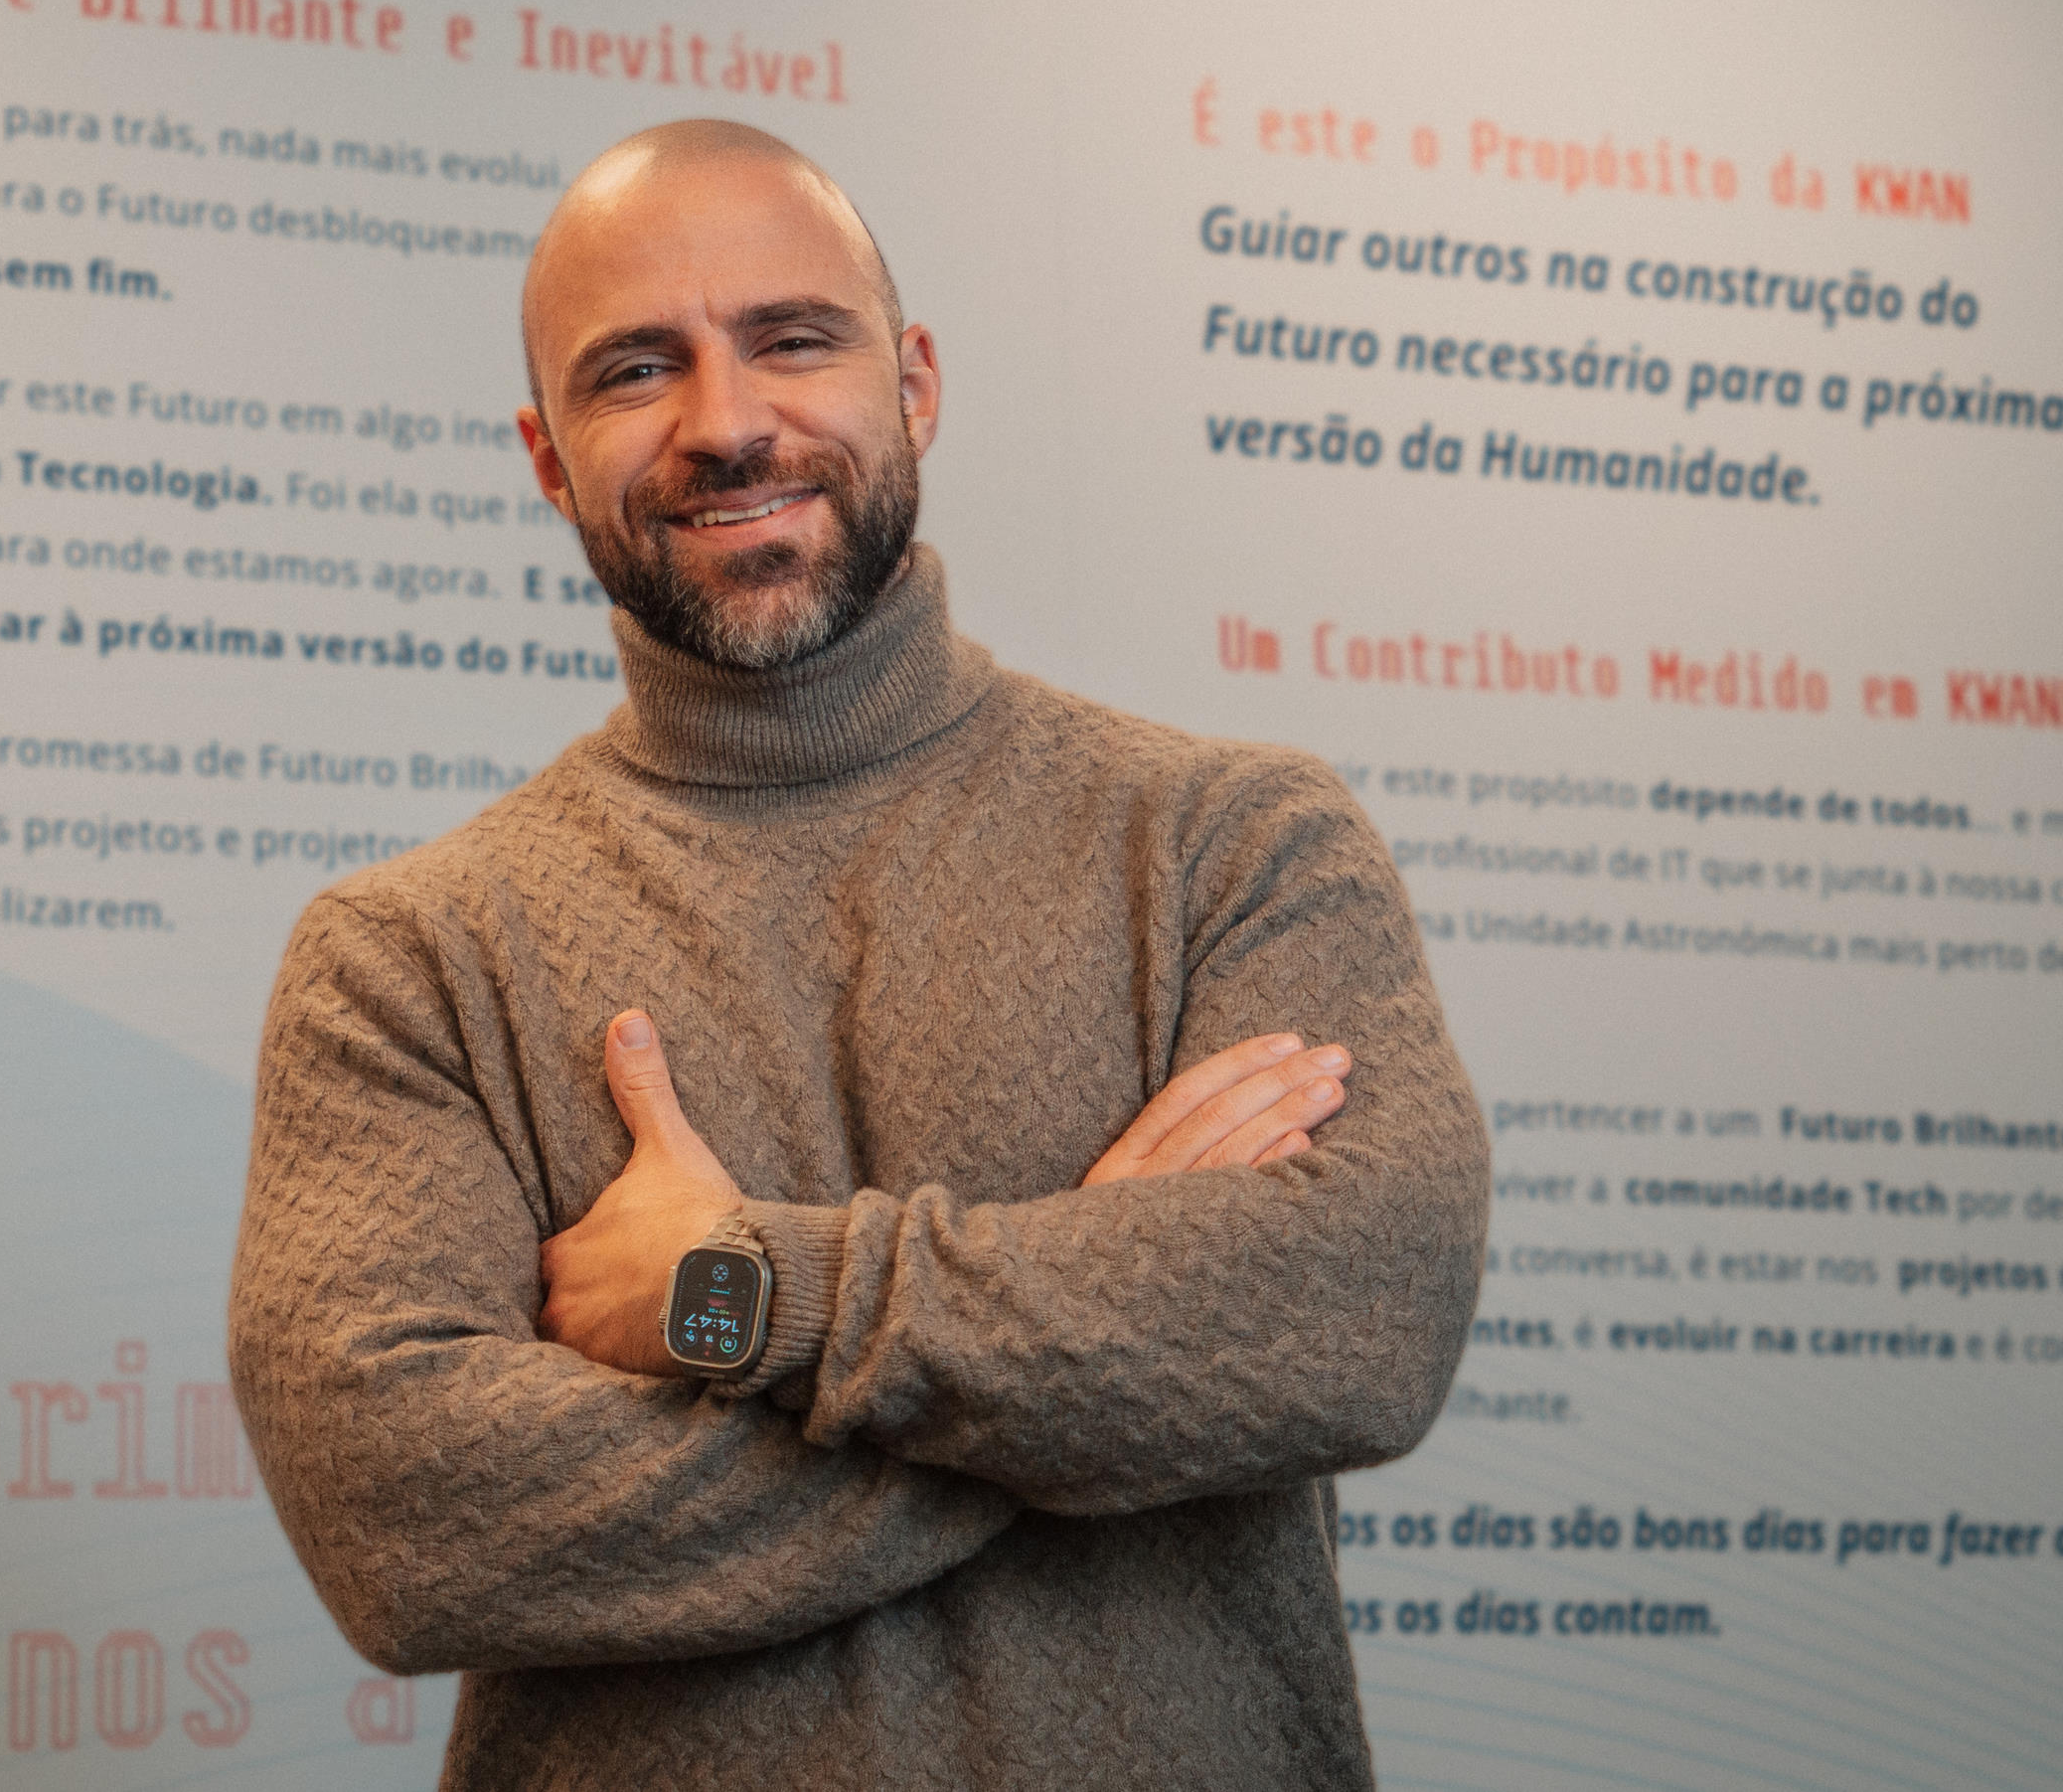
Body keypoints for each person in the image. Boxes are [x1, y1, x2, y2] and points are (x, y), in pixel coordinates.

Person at [227, 119, 1488, 1790]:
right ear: (547, 458)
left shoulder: (1234, 842)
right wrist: (1091, 1376)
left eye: (793, 339)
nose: (726, 421)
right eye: (635, 369)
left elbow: (1356, 1317)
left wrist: (737, 1292)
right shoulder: (405, 959)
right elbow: (400, 1521)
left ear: (916, 383)